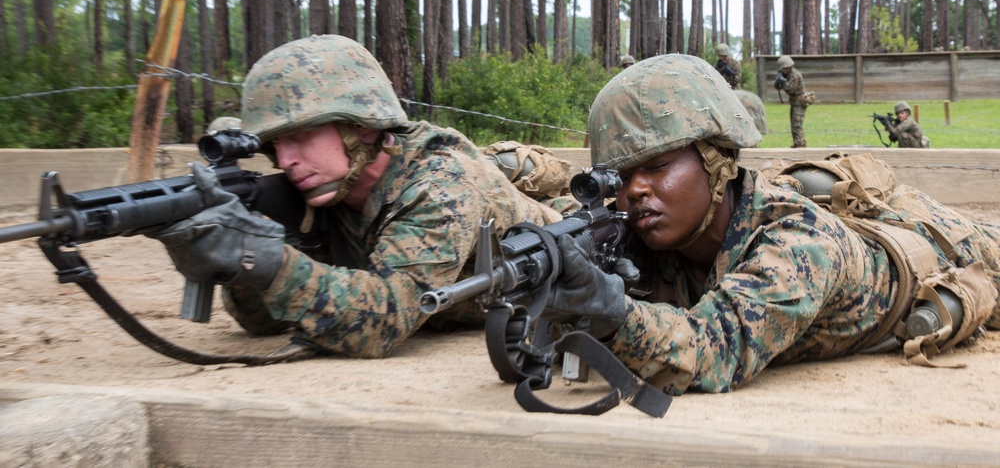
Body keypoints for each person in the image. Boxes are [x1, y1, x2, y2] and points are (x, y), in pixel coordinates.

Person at [541, 54, 1000, 395]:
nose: (634, 191)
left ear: (718, 160)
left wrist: (609, 308)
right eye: (618, 178)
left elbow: (715, 348)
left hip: (940, 245)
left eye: (658, 166)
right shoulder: (641, 226)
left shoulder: (800, 244)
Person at [152, 34, 567, 358]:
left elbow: (386, 320)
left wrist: (275, 263)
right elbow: (262, 322)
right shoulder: (326, 193)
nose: (286, 160)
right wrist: (240, 264)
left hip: (559, 265)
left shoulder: (438, 185)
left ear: (362, 127)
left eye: (298, 137)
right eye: (275, 146)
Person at [774, 54, 808, 147]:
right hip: (794, 102)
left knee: (797, 125)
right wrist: (778, 82)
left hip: (800, 102)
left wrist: (784, 82)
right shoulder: (786, 74)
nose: (783, 71)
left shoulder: (795, 75)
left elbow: (792, 89)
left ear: (788, 67)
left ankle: (799, 144)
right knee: (793, 125)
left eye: (784, 69)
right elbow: (777, 86)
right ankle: (797, 143)